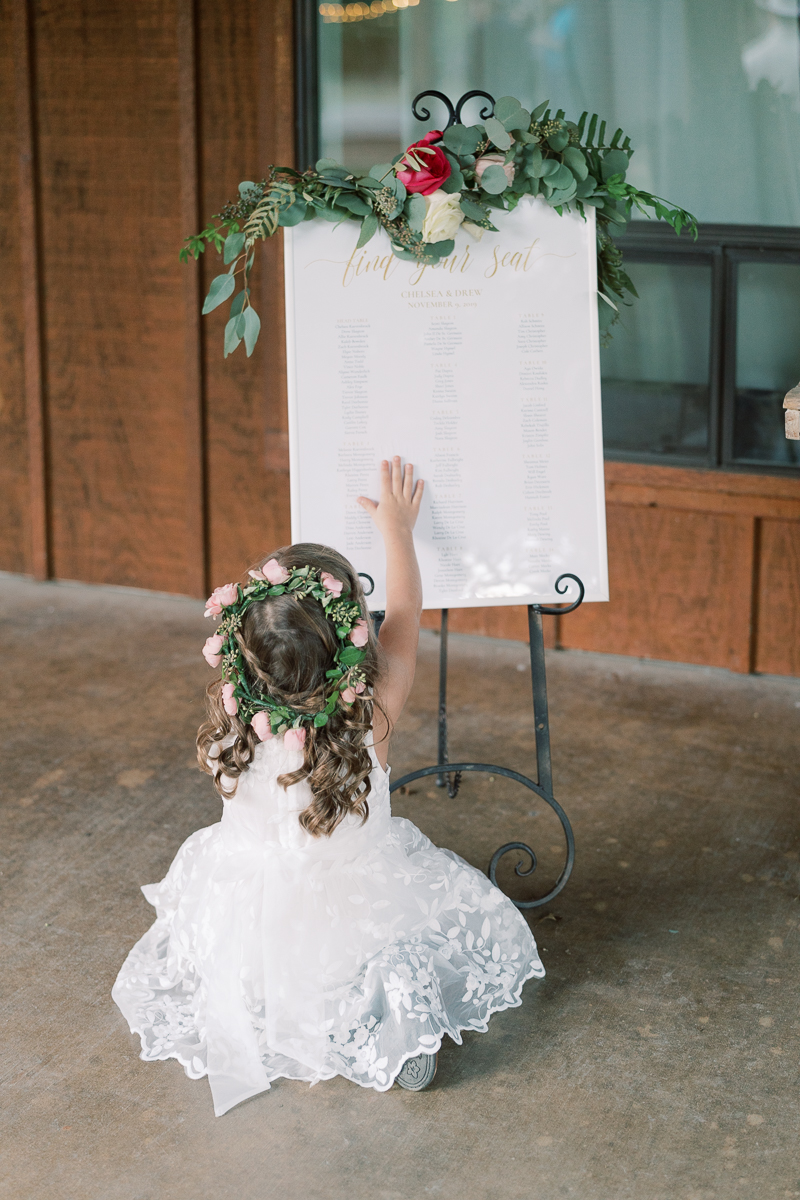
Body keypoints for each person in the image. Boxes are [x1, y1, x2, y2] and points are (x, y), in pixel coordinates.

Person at [112, 457, 544, 1116]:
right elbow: (408, 607)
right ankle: (395, 1034)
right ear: (353, 636)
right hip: (359, 911)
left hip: (253, 909)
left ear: (244, 654)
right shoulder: (371, 714)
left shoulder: (234, 713)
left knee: (250, 960)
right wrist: (397, 527)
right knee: (387, 948)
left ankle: (269, 1006)